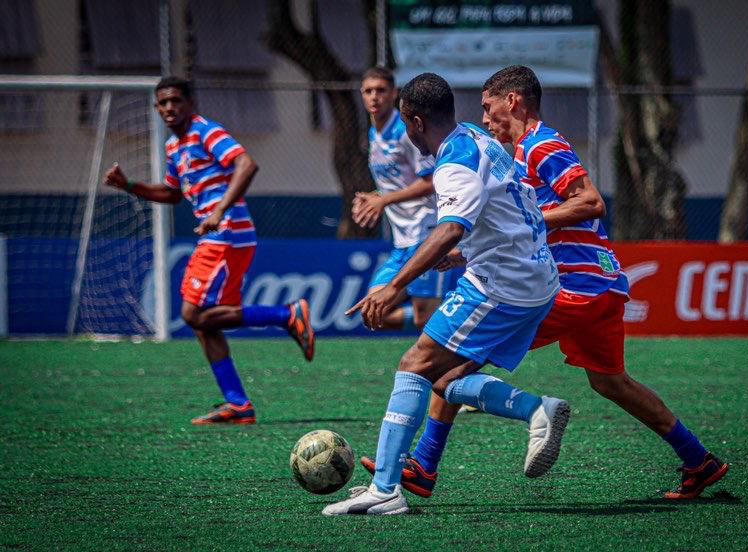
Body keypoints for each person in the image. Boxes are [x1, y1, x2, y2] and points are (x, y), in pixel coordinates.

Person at [363, 65, 729, 501]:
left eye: (488, 106)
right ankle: (698, 460)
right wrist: (465, 252)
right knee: (611, 382)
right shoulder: (513, 152)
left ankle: (424, 464)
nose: (483, 117)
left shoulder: (541, 144)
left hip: (571, 286)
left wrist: (525, 222)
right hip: (600, 286)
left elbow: (589, 202)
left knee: (446, 366)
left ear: (513, 101)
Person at [322, 72, 570, 516]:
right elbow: (506, 204)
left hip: (503, 283)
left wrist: (395, 286)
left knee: (414, 363)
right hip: (535, 276)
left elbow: (451, 225)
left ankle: (385, 489)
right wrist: (461, 254)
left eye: (404, 122)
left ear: (415, 121)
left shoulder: (452, 162)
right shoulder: (475, 136)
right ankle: (537, 409)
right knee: (443, 378)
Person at [104, 76, 314, 425]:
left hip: (227, 234)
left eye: (175, 101)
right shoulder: (174, 147)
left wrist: (219, 210)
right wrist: (129, 185)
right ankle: (238, 404)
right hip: (217, 235)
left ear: (189, 103)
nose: (169, 108)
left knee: (191, 314)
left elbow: (246, 165)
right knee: (205, 324)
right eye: (162, 103)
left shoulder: (206, 132)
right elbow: (172, 194)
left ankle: (287, 315)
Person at [353, 66, 461, 331]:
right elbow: (397, 184)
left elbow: (431, 180)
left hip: (425, 233)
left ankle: (458, 326)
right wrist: (373, 197)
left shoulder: (406, 133)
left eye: (381, 90)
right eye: (368, 91)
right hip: (402, 241)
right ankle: (454, 318)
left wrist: (384, 201)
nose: (374, 97)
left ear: (394, 94)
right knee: (372, 311)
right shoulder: (373, 134)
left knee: (424, 317)